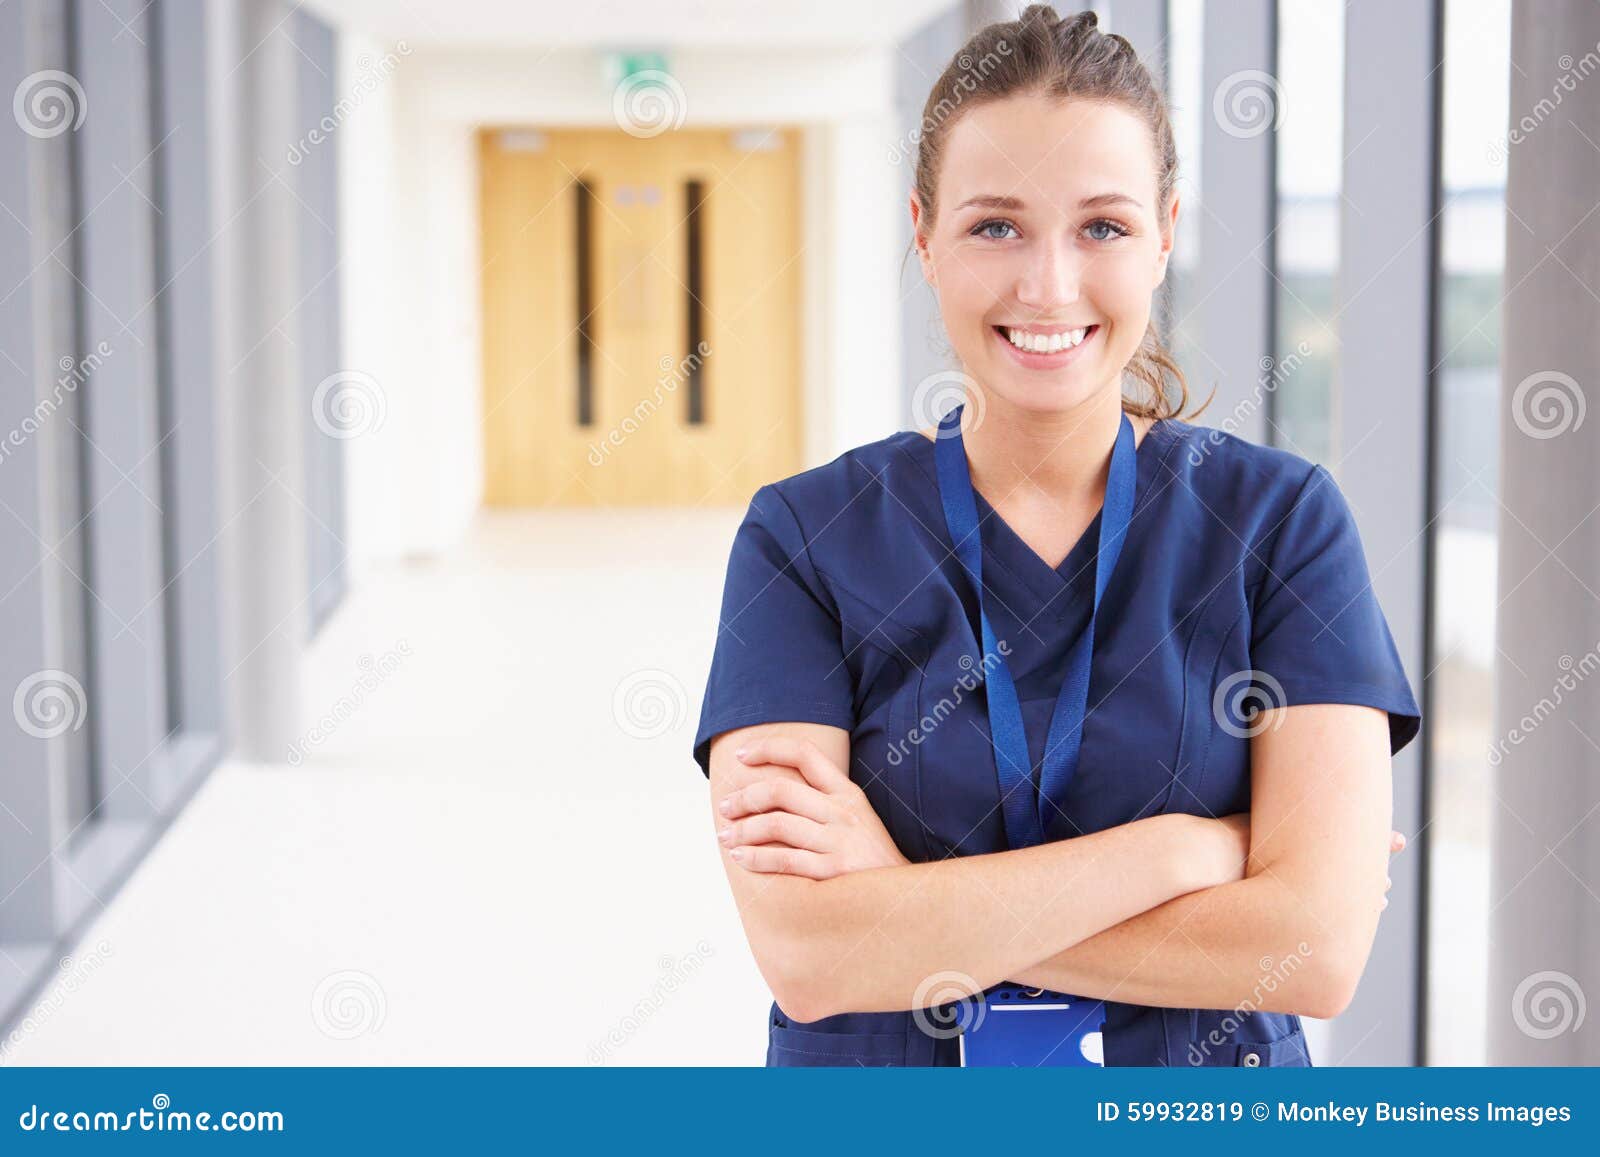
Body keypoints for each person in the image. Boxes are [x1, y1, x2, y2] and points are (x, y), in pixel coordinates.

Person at [690, 4, 1420, 1067]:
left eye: (1103, 227)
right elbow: (811, 954)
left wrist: (904, 906)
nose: (1048, 285)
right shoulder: (805, 538)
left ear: (1165, 233)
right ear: (924, 236)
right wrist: (1188, 851)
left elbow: (1311, 949)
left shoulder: (1279, 524)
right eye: (995, 225)